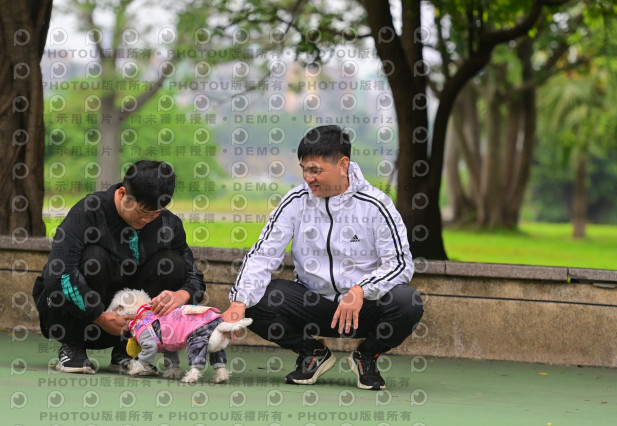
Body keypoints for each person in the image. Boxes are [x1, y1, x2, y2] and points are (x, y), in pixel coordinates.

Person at [222, 125, 423, 390]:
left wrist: (361, 290)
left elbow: (400, 264)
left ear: (343, 165)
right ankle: (311, 352)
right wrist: (239, 301)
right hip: (311, 305)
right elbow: (262, 254)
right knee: (254, 298)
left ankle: (367, 356)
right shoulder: (295, 201)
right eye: (304, 169)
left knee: (408, 301)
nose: (308, 178)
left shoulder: (376, 205)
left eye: (316, 170)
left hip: (363, 308)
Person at [32, 160, 206, 374]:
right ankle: (73, 347)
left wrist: (182, 294)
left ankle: (127, 352)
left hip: (128, 325)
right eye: (142, 211)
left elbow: (194, 277)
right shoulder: (88, 212)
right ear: (123, 193)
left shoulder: (168, 224)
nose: (146, 219)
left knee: (172, 263)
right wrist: (99, 315)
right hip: (78, 318)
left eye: (155, 213)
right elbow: (58, 274)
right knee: (95, 258)